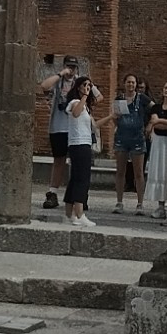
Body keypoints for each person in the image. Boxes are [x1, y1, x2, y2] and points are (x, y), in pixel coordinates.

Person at [37, 57, 81, 210]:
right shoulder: (58, 81)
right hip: (58, 126)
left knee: (76, 161)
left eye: (74, 67)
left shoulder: (80, 82)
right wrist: (60, 74)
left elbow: (98, 96)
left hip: (76, 128)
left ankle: (76, 194)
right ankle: (53, 192)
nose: (71, 70)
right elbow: (44, 85)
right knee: (59, 161)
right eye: (69, 66)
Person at [62, 74, 100, 228]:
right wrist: (84, 96)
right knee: (82, 179)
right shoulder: (74, 102)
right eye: (84, 85)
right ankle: (79, 212)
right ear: (78, 87)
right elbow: (76, 113)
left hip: (86, 143)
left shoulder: (86, 107)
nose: (87, 88)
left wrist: (111, 117)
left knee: (76, 178)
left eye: (89, 86)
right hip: (78, 144)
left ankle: (69, 213)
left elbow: (93, 125)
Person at [110, 74, 149, 214]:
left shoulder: (142, 99)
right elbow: (115, 118)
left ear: (136, 84)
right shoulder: (119, 99)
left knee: (138, 172)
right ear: (124, 83)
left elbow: (153, 108)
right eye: (128, 82)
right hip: (122, 137)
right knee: (120, 171)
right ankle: (119, 202)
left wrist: (149, 124)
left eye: (133, 82)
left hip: (137, 138)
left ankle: (140, 204)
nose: (131, 85)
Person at [145, 80, 167, 220]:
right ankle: (161, 206)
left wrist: (160, 122)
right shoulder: (156, 108)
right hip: (158, 142)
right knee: (159, 172)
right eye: (165, 88)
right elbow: (153, 123)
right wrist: (161, 123)